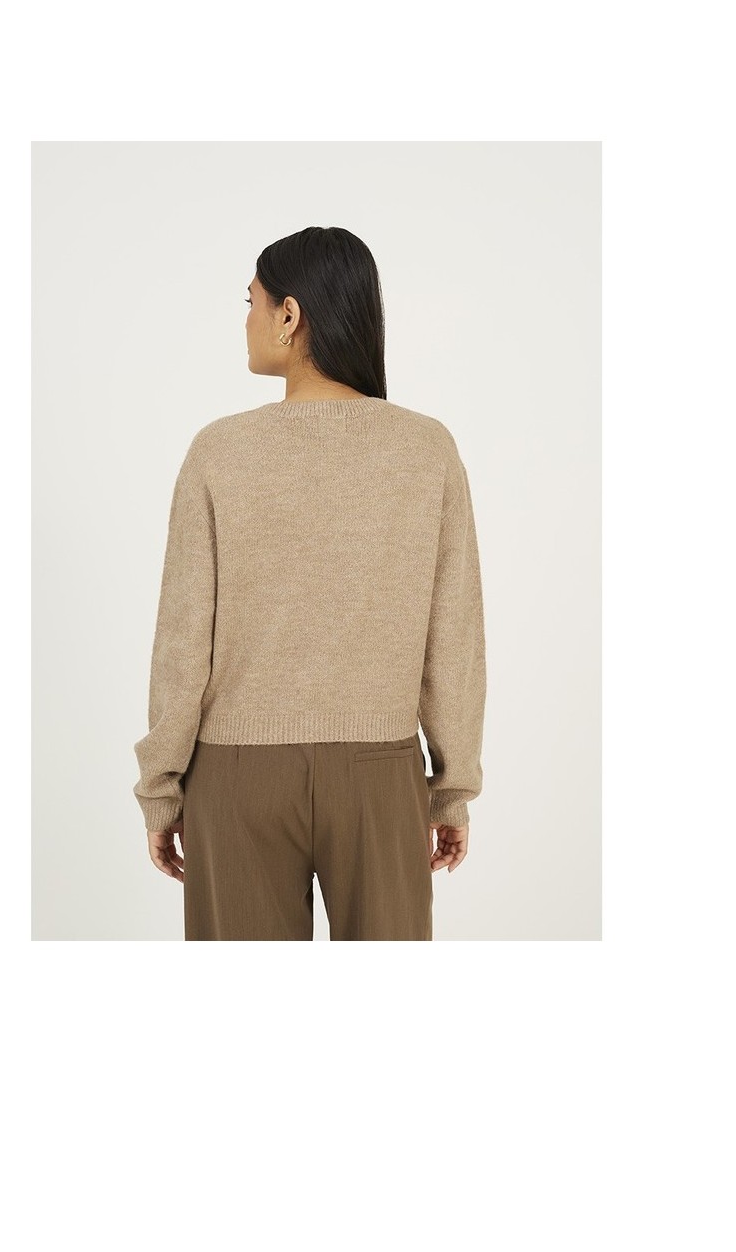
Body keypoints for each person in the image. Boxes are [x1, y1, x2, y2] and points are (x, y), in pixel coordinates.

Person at [133, 225, 486, 940]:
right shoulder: (427, 449)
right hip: (380, 776)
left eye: (252, 302)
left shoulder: (219, 451)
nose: (247, 320)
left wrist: (162, 788)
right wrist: (450, 790)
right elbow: (453, 639)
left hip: (235, 779)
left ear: (289, 315)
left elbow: (182, 640)